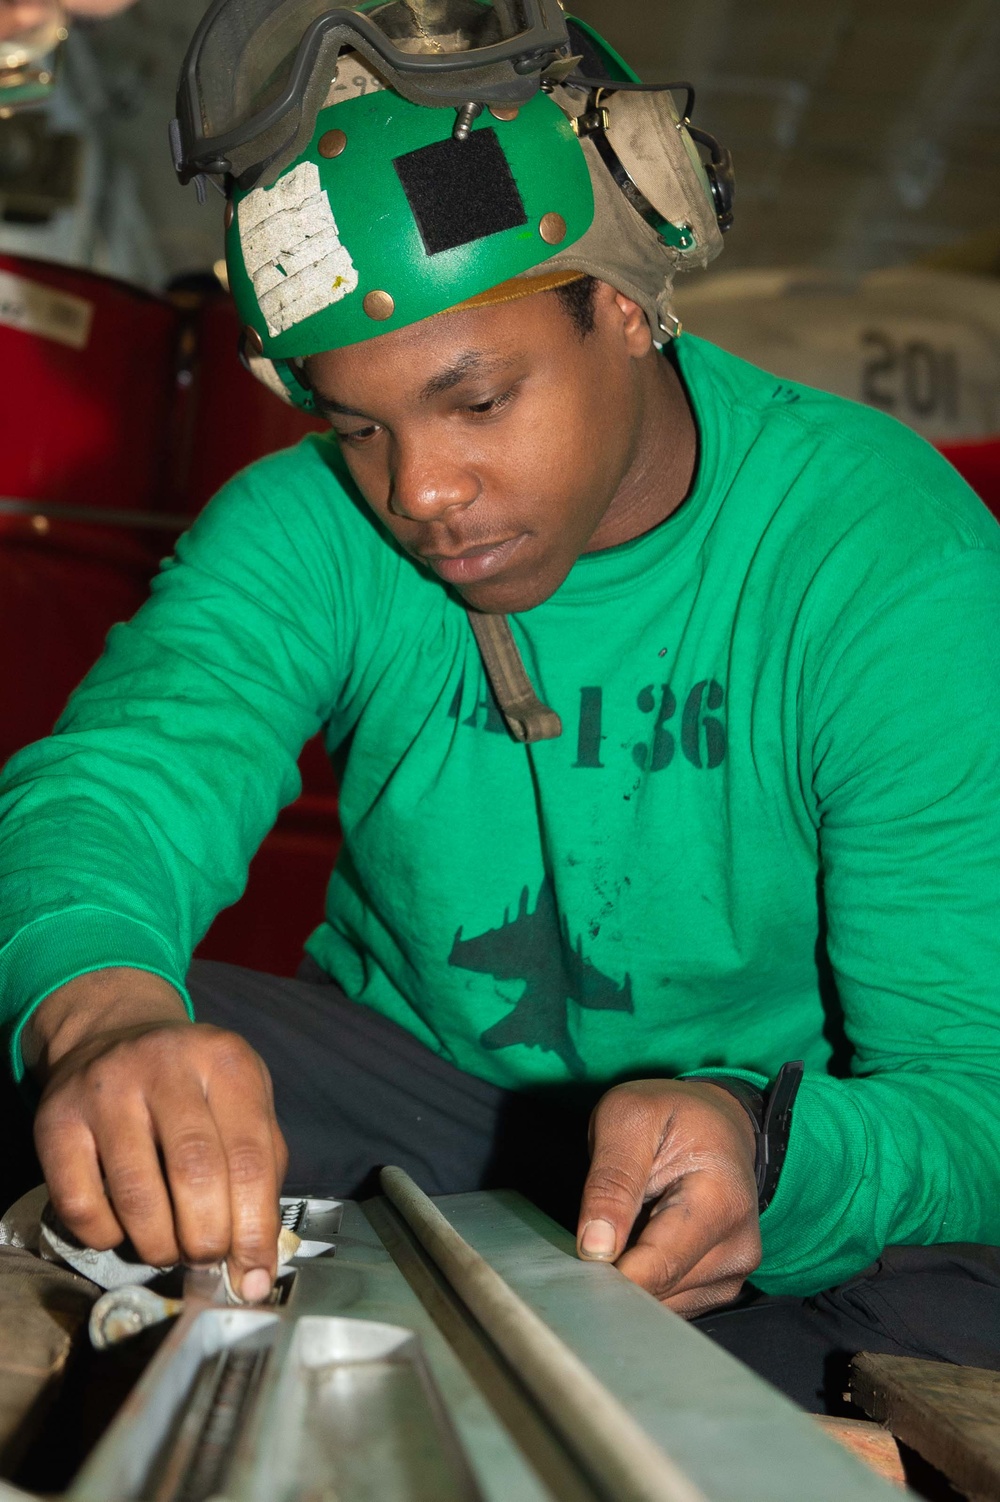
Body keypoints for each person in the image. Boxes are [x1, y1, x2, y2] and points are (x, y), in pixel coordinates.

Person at [2, 2, 999, 1414]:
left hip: (751, 1167)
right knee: (62, 1066)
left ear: (631, 306)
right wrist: (101, 1017)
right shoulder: (306, 527)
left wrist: (772, 1155)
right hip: (414, 1114)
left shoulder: (885, 558)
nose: (416, 490)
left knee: (961, 1280)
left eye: (476, 401)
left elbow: (971, 1088)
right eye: (356, 423)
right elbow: (113, 786)